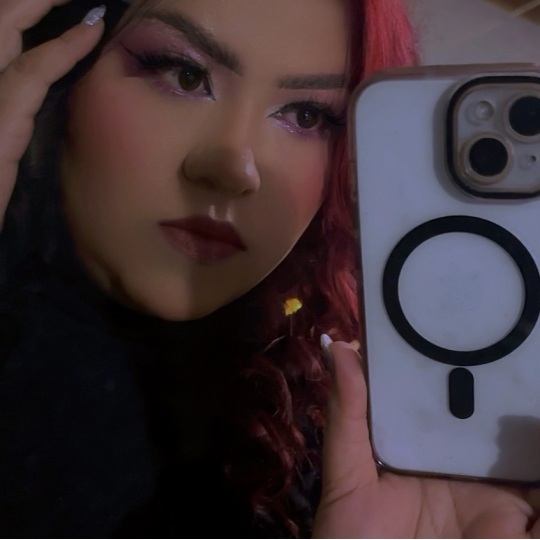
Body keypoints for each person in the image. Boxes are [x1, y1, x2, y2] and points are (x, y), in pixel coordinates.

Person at [8, 0, 533, 538]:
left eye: (307, 115)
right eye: (184, 74)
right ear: (56, 79)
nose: (237, 169)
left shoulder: (331, 433)